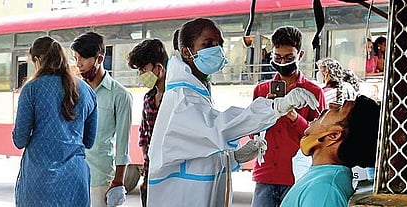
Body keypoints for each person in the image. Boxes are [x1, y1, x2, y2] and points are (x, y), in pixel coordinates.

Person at [146, 18, 319, 207]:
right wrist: (276, 106)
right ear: (187, 52)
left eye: (219, 43)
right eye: (208, 44)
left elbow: (201, 148)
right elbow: (218, 129)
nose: (217, 49)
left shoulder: (196, 91)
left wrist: (233, 157)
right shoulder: (182, 98)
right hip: (183, 197)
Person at [12, 36, 98, 207]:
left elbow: (19, 140)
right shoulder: (87, 91)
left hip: (39, 181)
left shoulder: (31, 89)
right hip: (75, 180)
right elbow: (89, 141)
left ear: (38, 60)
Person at [250, 26, 326, 207]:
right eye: (278, 58)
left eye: (289, 58)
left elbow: (319, 138)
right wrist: (267, 110)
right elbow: (252, 133)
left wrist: (293, 116)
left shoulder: (313, 92)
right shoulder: (261, 90)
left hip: (296, 177)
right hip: (265, 174)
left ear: (300, 55)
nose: (283, 62)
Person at [281, 95, 380, 207]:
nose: (331, 105)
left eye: (339, 109)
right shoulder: (323, 181)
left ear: (334, 135)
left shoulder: (324, 190)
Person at [71, 31, 133, 207]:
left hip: (100, 179)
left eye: (83, 58)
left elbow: (123, 143)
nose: (79, 64)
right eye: (76, 58)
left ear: (99, 58)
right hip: (72, 175)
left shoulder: (120, 95)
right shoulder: (74, 91)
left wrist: (118, 181)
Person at [127, 38, 169, 207]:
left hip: (170, 176)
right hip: (150, 176)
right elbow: (144, 134)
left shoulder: (176, 97)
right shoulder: (148, 98)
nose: (141, 75)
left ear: (158, 68)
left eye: (143, 69)